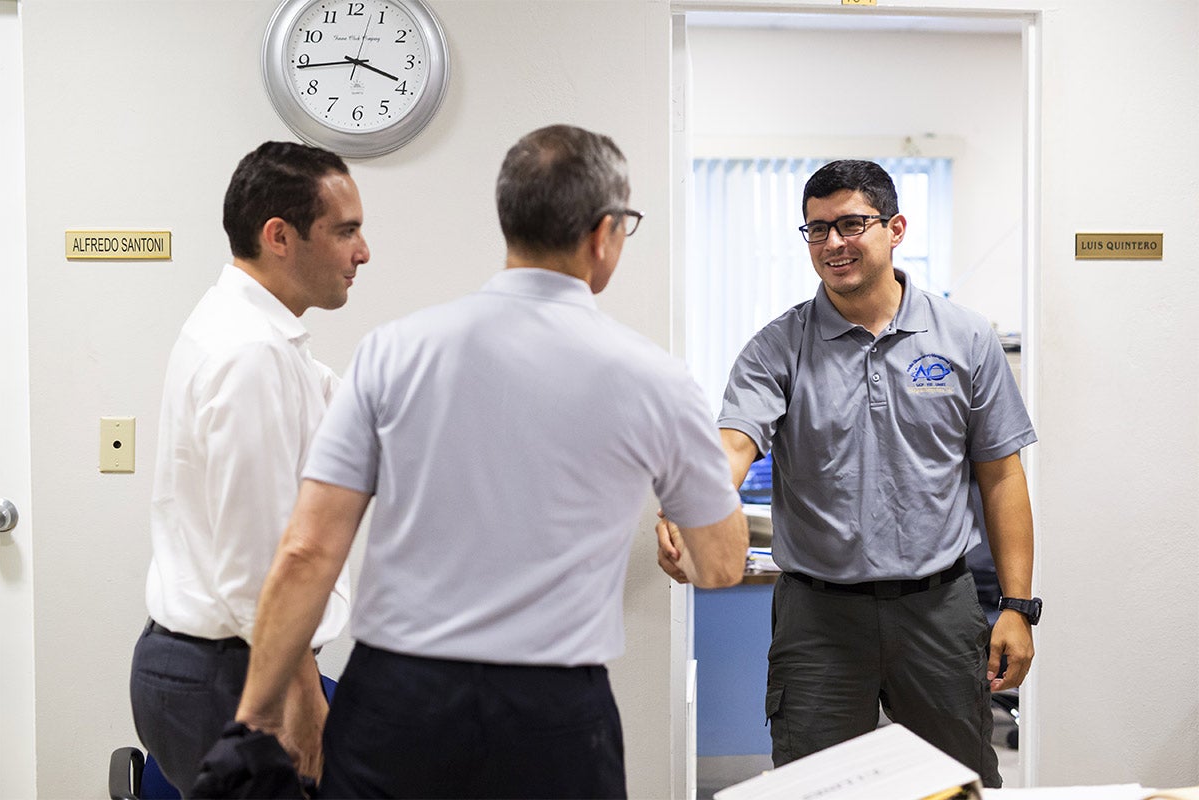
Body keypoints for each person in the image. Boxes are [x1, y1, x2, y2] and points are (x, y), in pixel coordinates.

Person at [232, 124, 749, 799]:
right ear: (603, 234)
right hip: (554, 716)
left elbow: (307, 553)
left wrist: (257, 717)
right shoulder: (654, 378)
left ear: (510, 221)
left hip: (396, 702)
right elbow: (720, 564)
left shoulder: (394, 351)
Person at [658, 159, 1037, 788]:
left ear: (895, 228)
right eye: (816, 230)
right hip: (819, 618)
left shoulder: (965, 338)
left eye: (851, 224)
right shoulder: (776, 347)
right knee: (813, 787)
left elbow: (1002, 476)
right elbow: (733, 444)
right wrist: (693, 504)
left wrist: (1019, 606)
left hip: (939, 609)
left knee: (957, 786)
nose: (833, 243)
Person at [129, 140, 370, 793]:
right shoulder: (250, 353)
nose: (363, 253)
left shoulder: (261, 336)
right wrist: (303, 706)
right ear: (279, 236)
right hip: (232, 672)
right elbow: (260, 568)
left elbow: (347, 406)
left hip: (228, 663)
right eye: (346, 231)